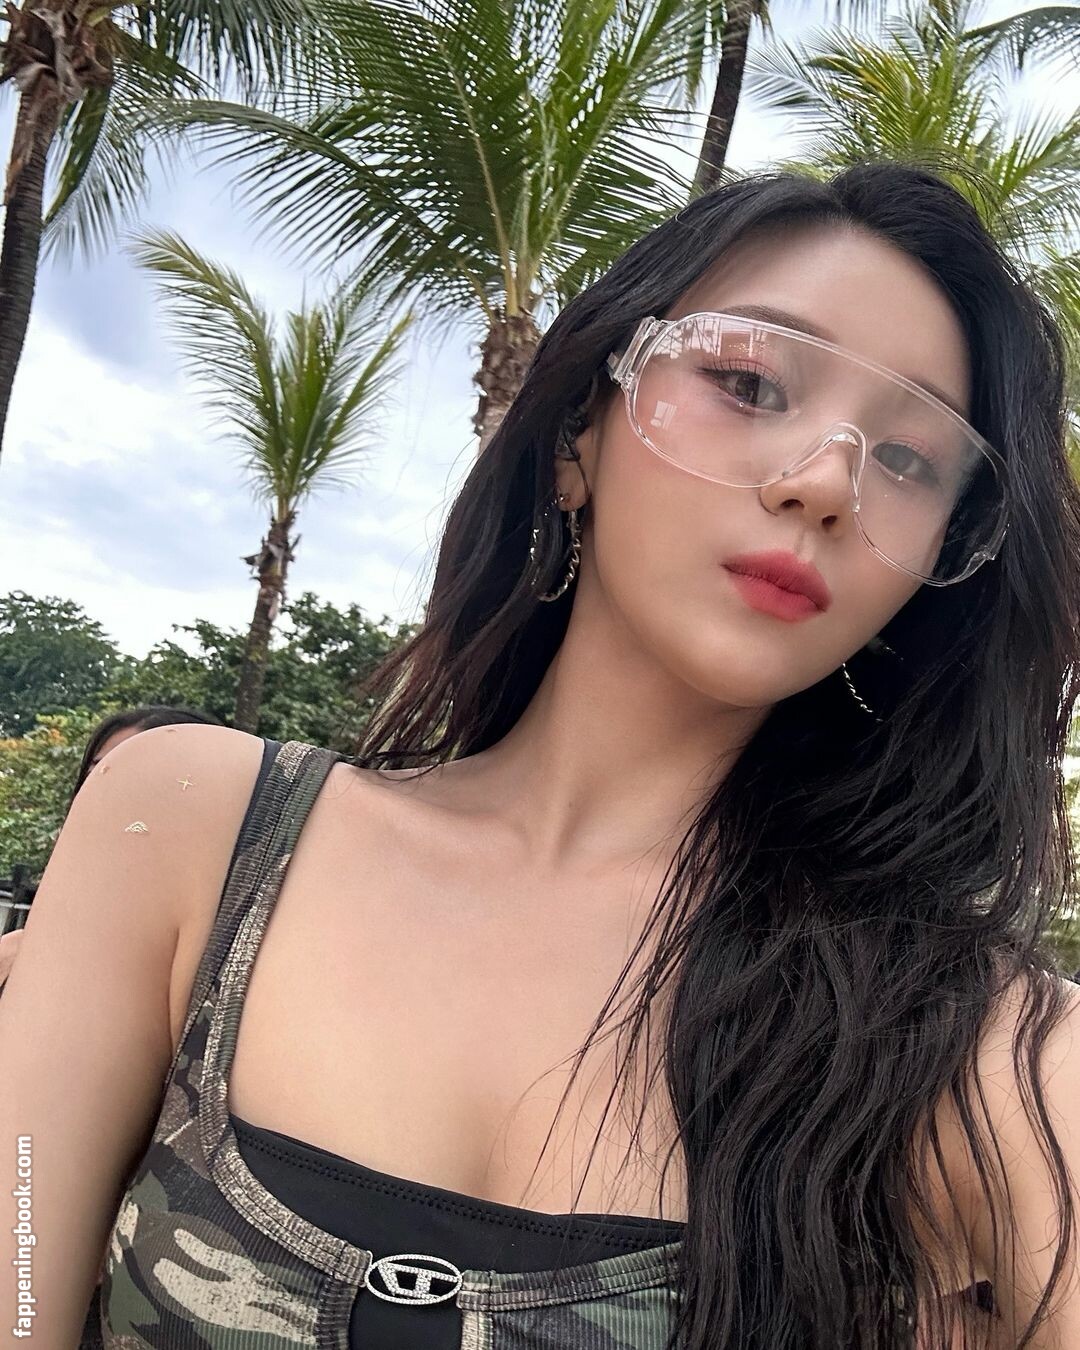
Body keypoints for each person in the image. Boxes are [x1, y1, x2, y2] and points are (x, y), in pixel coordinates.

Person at [2, 162, 1078, 1350]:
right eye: (748, 382)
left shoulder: (977, 1045)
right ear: (578, 437)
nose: (826, 482)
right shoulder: (191, 828)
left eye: (910, 461)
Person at [0, 708, 222, 994]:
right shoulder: (23, 949)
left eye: (132, 777)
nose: (104, 792)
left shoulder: (233, 957)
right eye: (96, 773)